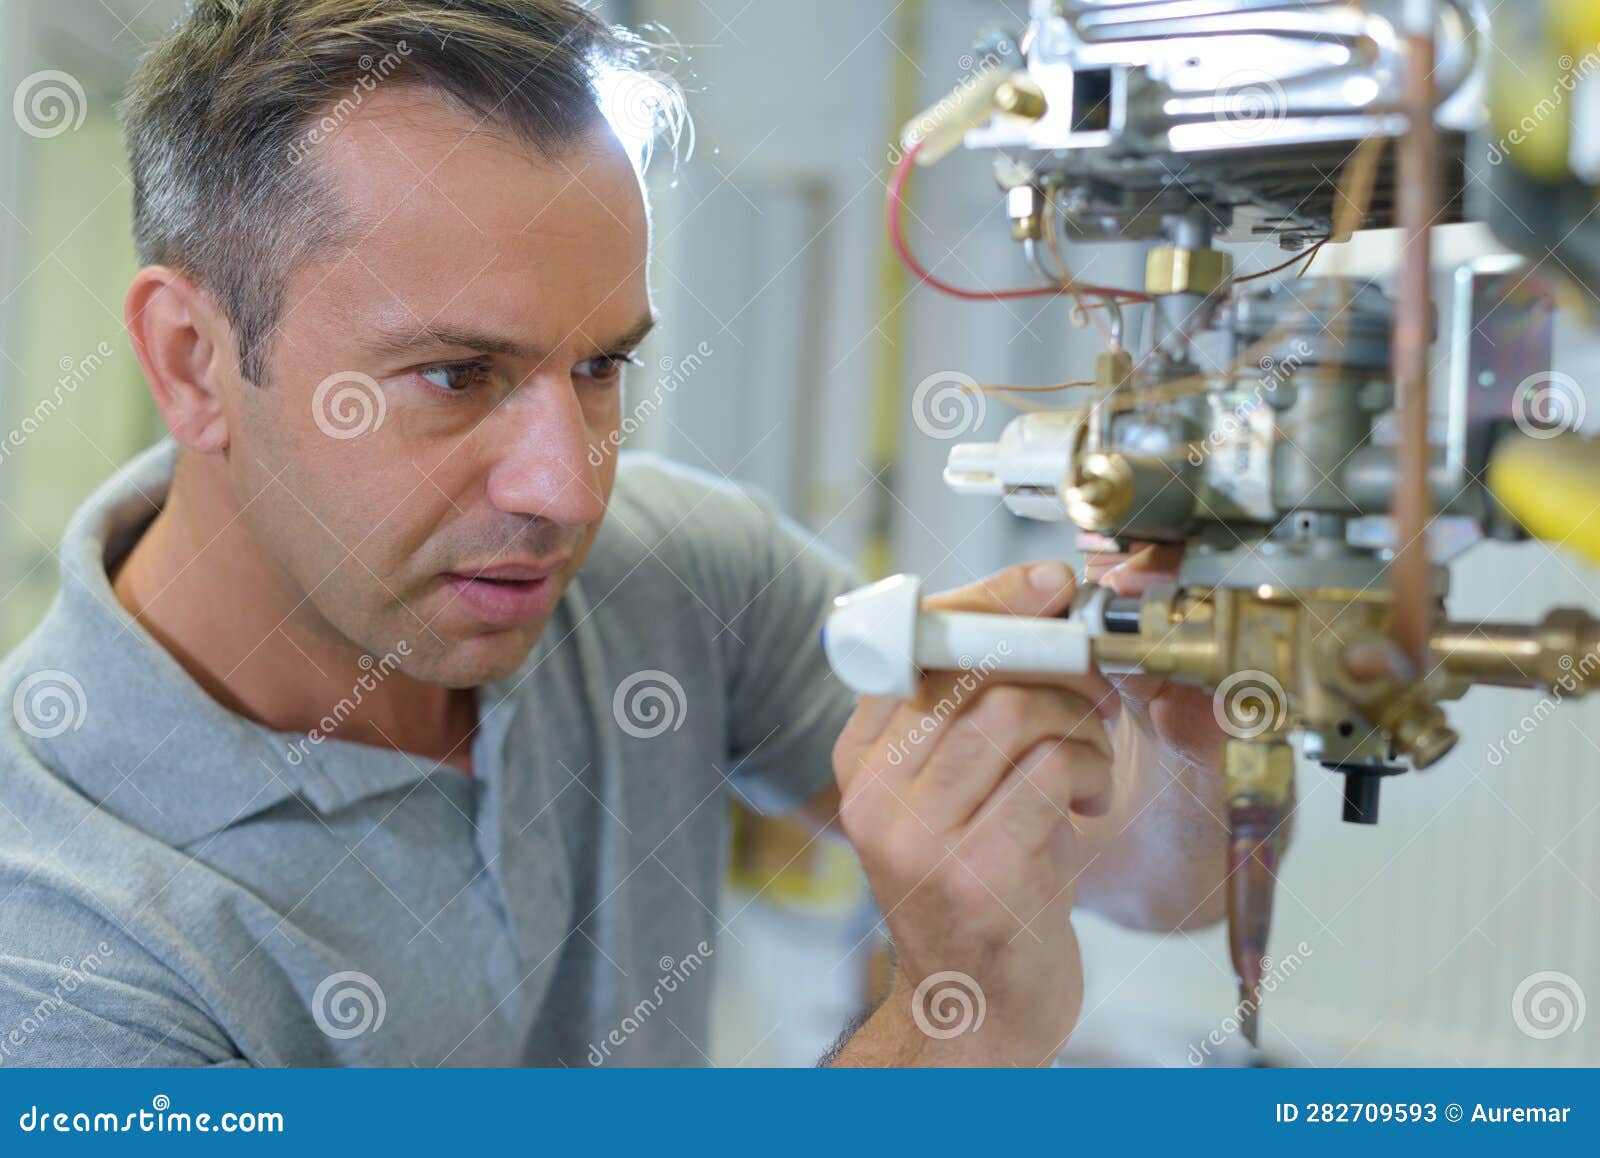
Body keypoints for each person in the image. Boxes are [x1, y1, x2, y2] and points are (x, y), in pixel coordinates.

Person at [0, 0, 1228, 1067]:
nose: (572, 493)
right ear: (192, 360)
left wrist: (1182, 713)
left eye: (599, 366)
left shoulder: (663, 570)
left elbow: (1156, 882)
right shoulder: (54, 938)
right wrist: (955, 1034)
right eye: (456, 374)